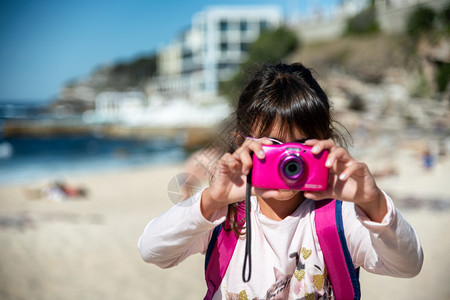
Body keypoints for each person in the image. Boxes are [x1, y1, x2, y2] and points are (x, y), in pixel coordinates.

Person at [138, 63, 423, 299]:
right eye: (273, 146)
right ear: (242, 144)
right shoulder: (224, 217)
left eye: (302, 147)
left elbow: (408, 265)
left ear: (326, 145)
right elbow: (152, 250)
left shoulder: (339, 218)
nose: (289, 161)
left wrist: (372, 202)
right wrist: (212, 199)